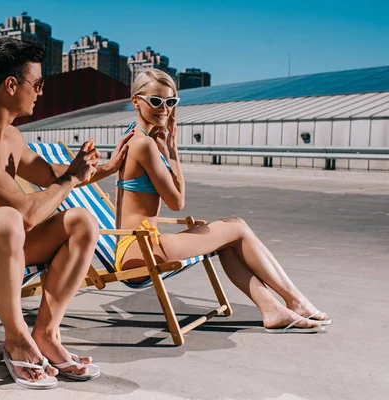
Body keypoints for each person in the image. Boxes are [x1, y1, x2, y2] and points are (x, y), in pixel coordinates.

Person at [0, 38, 132, 388]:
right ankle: (17, 338)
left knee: (82, 221)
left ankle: (46, 333)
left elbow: (52, 176)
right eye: (37, 85)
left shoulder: (12, 136)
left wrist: (105, 167)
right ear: (11, 85)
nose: (40, 93)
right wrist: (69, 180)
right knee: (8, 220)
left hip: (4, 245)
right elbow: (26, 214)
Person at [114, 69, 331, 334]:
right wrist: (173, 152)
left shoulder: (136, 136)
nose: (164, 109)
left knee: (228, 243)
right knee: (237, 227)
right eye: (156, 101)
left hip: (138, 245)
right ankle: (296, 301)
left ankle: (272, 310)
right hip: (140, 251)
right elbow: (177, 202)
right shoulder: (144, 144)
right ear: (136, 101)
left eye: (171, 102)